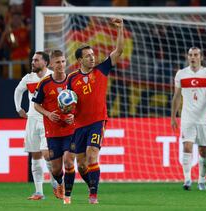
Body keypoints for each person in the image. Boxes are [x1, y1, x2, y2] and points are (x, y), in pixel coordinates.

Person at [67, 18, 124, 204]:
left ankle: (93, 195)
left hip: (98, 121)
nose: (92, 57)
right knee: (82, 165)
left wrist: (120, 28)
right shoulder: (71, 79)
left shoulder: (102, 69)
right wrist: (67, 111)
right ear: (79, 60)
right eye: (88, 56)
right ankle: (92, 183)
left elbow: (119, 51)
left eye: (93, 54)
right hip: (79, 125)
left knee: (92, 154)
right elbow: (68, 103)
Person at [171, 47, 206, 191]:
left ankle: (202, 180)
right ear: (188, 57)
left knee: (203, 151)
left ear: (201, 57)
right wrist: (173, 116)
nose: (193, 57)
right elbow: (177, 97)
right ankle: (187, 180)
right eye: (190, 55)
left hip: (204, 119)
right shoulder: (181, 74)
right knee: (187, 146)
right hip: (187, 118)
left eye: (196, 55)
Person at [14, 51, 59, 200]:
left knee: (47, 154)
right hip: (32, 119)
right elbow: (18, 91)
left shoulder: (53, 76)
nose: (33, 62)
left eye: (36, 60)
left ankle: (55, 184)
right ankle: (39, 192)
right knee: (35, 154)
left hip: (47, 119)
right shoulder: (28, 78)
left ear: (45, 63)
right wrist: (18, 108)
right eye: (32, 60)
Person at [33, 50, 76, 204]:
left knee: (69, 162)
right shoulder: (44, 83)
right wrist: (48, 114)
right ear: (51, 64)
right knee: (57, 169)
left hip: (70, 130)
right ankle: (59, 183)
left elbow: (80, 103)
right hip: (52, 132)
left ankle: (68, 195)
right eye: (57, 62)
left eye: (63, 61)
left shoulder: (72, 81)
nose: (61, 65)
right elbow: (36, 104)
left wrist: (74, 115)